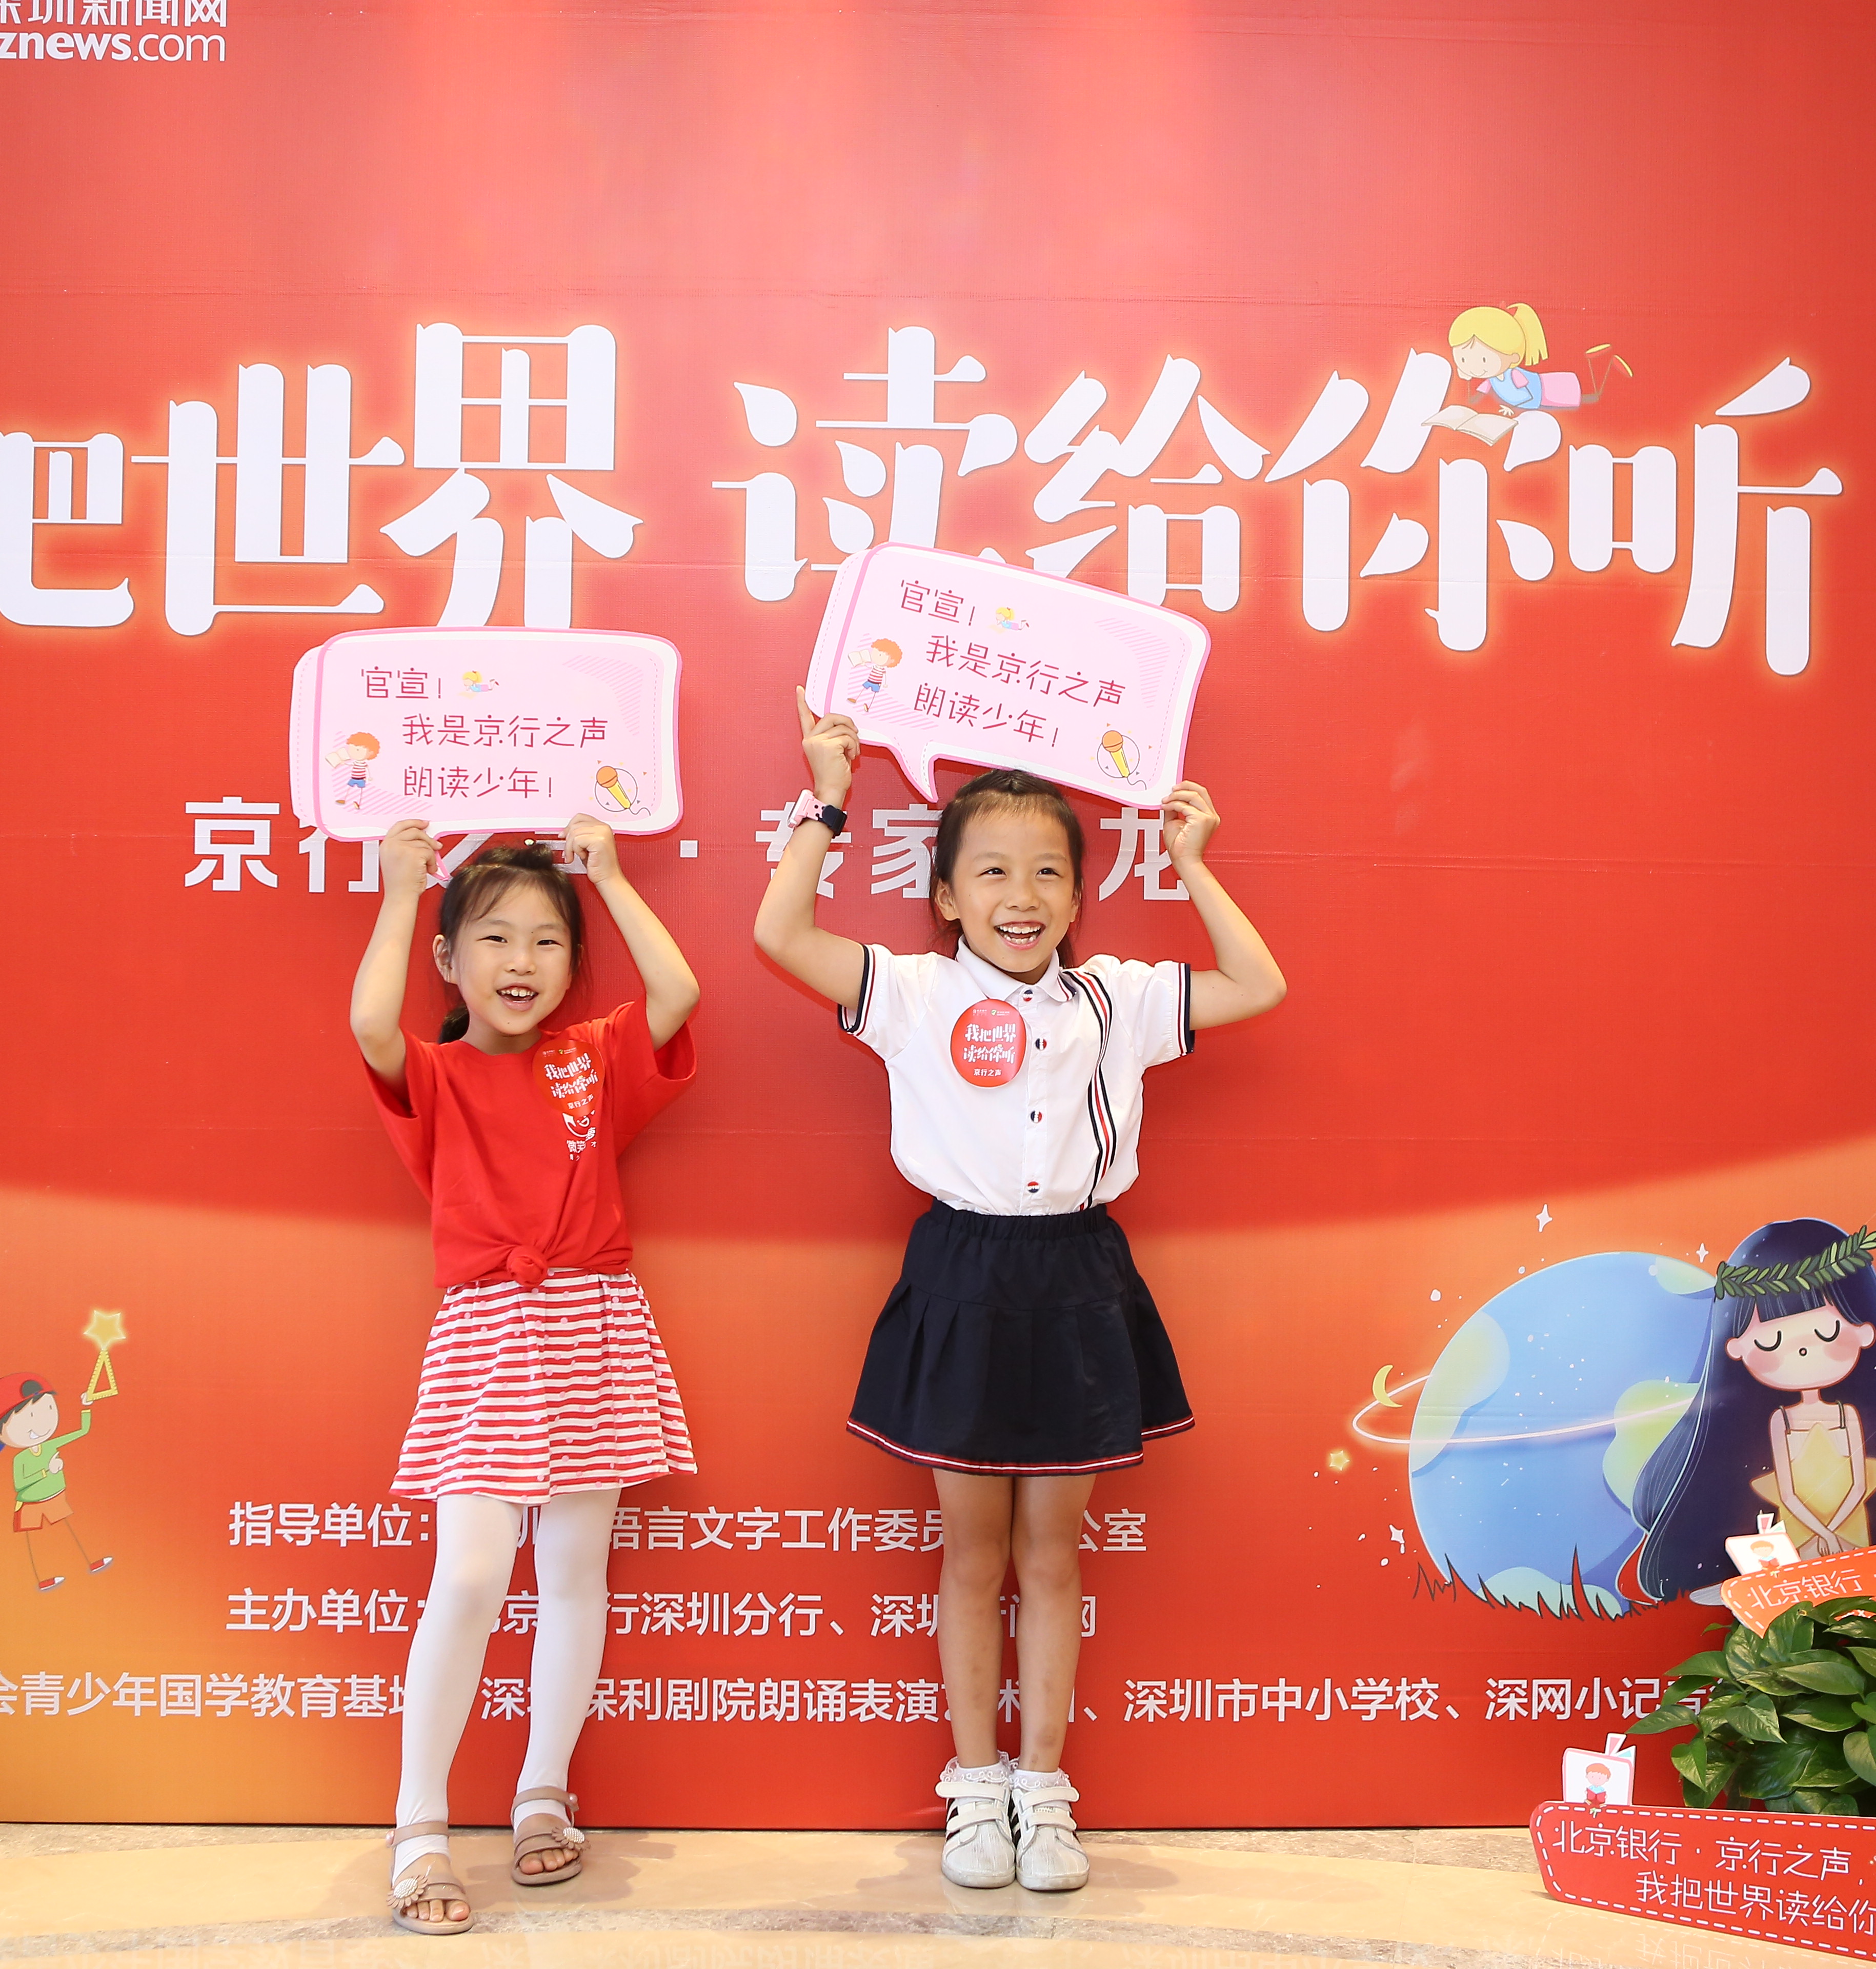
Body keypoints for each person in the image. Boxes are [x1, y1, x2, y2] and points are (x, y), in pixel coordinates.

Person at [754, 694, 1285, 1894]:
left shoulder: (1117, 1000)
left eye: (1048, 871)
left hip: (1076, 1275)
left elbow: (1257, 983)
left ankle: (1044, 1795)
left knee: (1052, 1555)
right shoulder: (911, 992)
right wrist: (827, 798)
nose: (1022, 893)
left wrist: (1193, 864)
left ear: (1078, 893)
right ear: (945, 894)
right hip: (961, 1272)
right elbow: (780, 931)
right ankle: (973, 1789)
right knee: (968, 1554)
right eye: (991, 870)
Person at [355, 815, 699, 1937]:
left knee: (575, 1574)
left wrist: (613, 878)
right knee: (469, 1575)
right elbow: (370, 1024)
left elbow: (679, 992)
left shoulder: (589, 1056)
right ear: (448, 959)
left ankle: (543, 1791)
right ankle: (419, 1823)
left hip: (595, 1323)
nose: (522, 961)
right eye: (495, 939)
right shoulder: (437, 1071)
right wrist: (401, 891)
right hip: (491, 1331)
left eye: (548, 941)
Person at [1628, 1219, 1876, 1603]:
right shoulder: (1780, 1421)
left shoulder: (1850, 1416)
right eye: (1772, 1341)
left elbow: (1859, 1485)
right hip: (1800, 1536)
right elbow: (1787, 1491)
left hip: (1853, 1532)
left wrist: (1837, 1533)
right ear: (1736, 1347)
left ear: (1865, 1331)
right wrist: (1821, 1534)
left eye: (1827, 1333)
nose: (1801, 1351)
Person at [0, 1375, 115, 1591]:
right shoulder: (21, 1459)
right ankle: (43, 1578)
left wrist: (86, 1406)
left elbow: (82, 1431)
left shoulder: (50, 1446)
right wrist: (47, 1470)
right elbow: (20, 1484)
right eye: (30, 1416)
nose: (42, 1425)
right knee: (35, 1540)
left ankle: (92, 1561)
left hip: (54, 1495)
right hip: (31, 1503)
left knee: (70, 1529)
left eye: (49, 1410)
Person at [1427, 304, 1630, 446]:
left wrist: (1512, 408)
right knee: (1586, 398)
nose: (1474, 367)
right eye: (1463, 359)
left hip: (1547, 392)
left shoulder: (1515, 375)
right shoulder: (1491, 379)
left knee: (1589, 398)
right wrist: (1467, 386)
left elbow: (1529, 396)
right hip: (1533, 401)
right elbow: (1477, 396)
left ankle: (1609, 369)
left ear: (1513, 356)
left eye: (1483, 360)